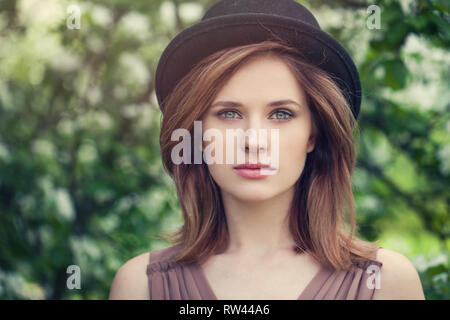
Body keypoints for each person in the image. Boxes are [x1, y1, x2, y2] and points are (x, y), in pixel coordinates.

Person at [109, 0, 425, 300]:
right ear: (197, 133)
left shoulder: (386, 282)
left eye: (281, 114)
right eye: (229, 113)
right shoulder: (141, 286)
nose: (254, 141)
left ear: (313, 134)